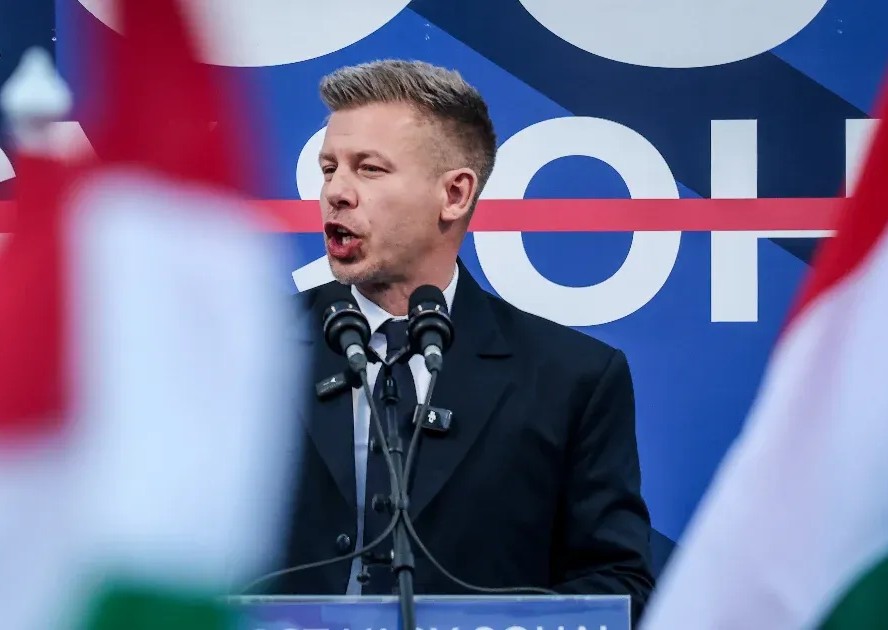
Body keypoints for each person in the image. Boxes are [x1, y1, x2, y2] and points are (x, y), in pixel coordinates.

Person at [273, 60, 655, 619]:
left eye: (369, 169)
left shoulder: (571, 379)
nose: (336, 192)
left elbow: (617, 586)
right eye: (329, 168)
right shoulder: (250, 350)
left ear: (454, 194)